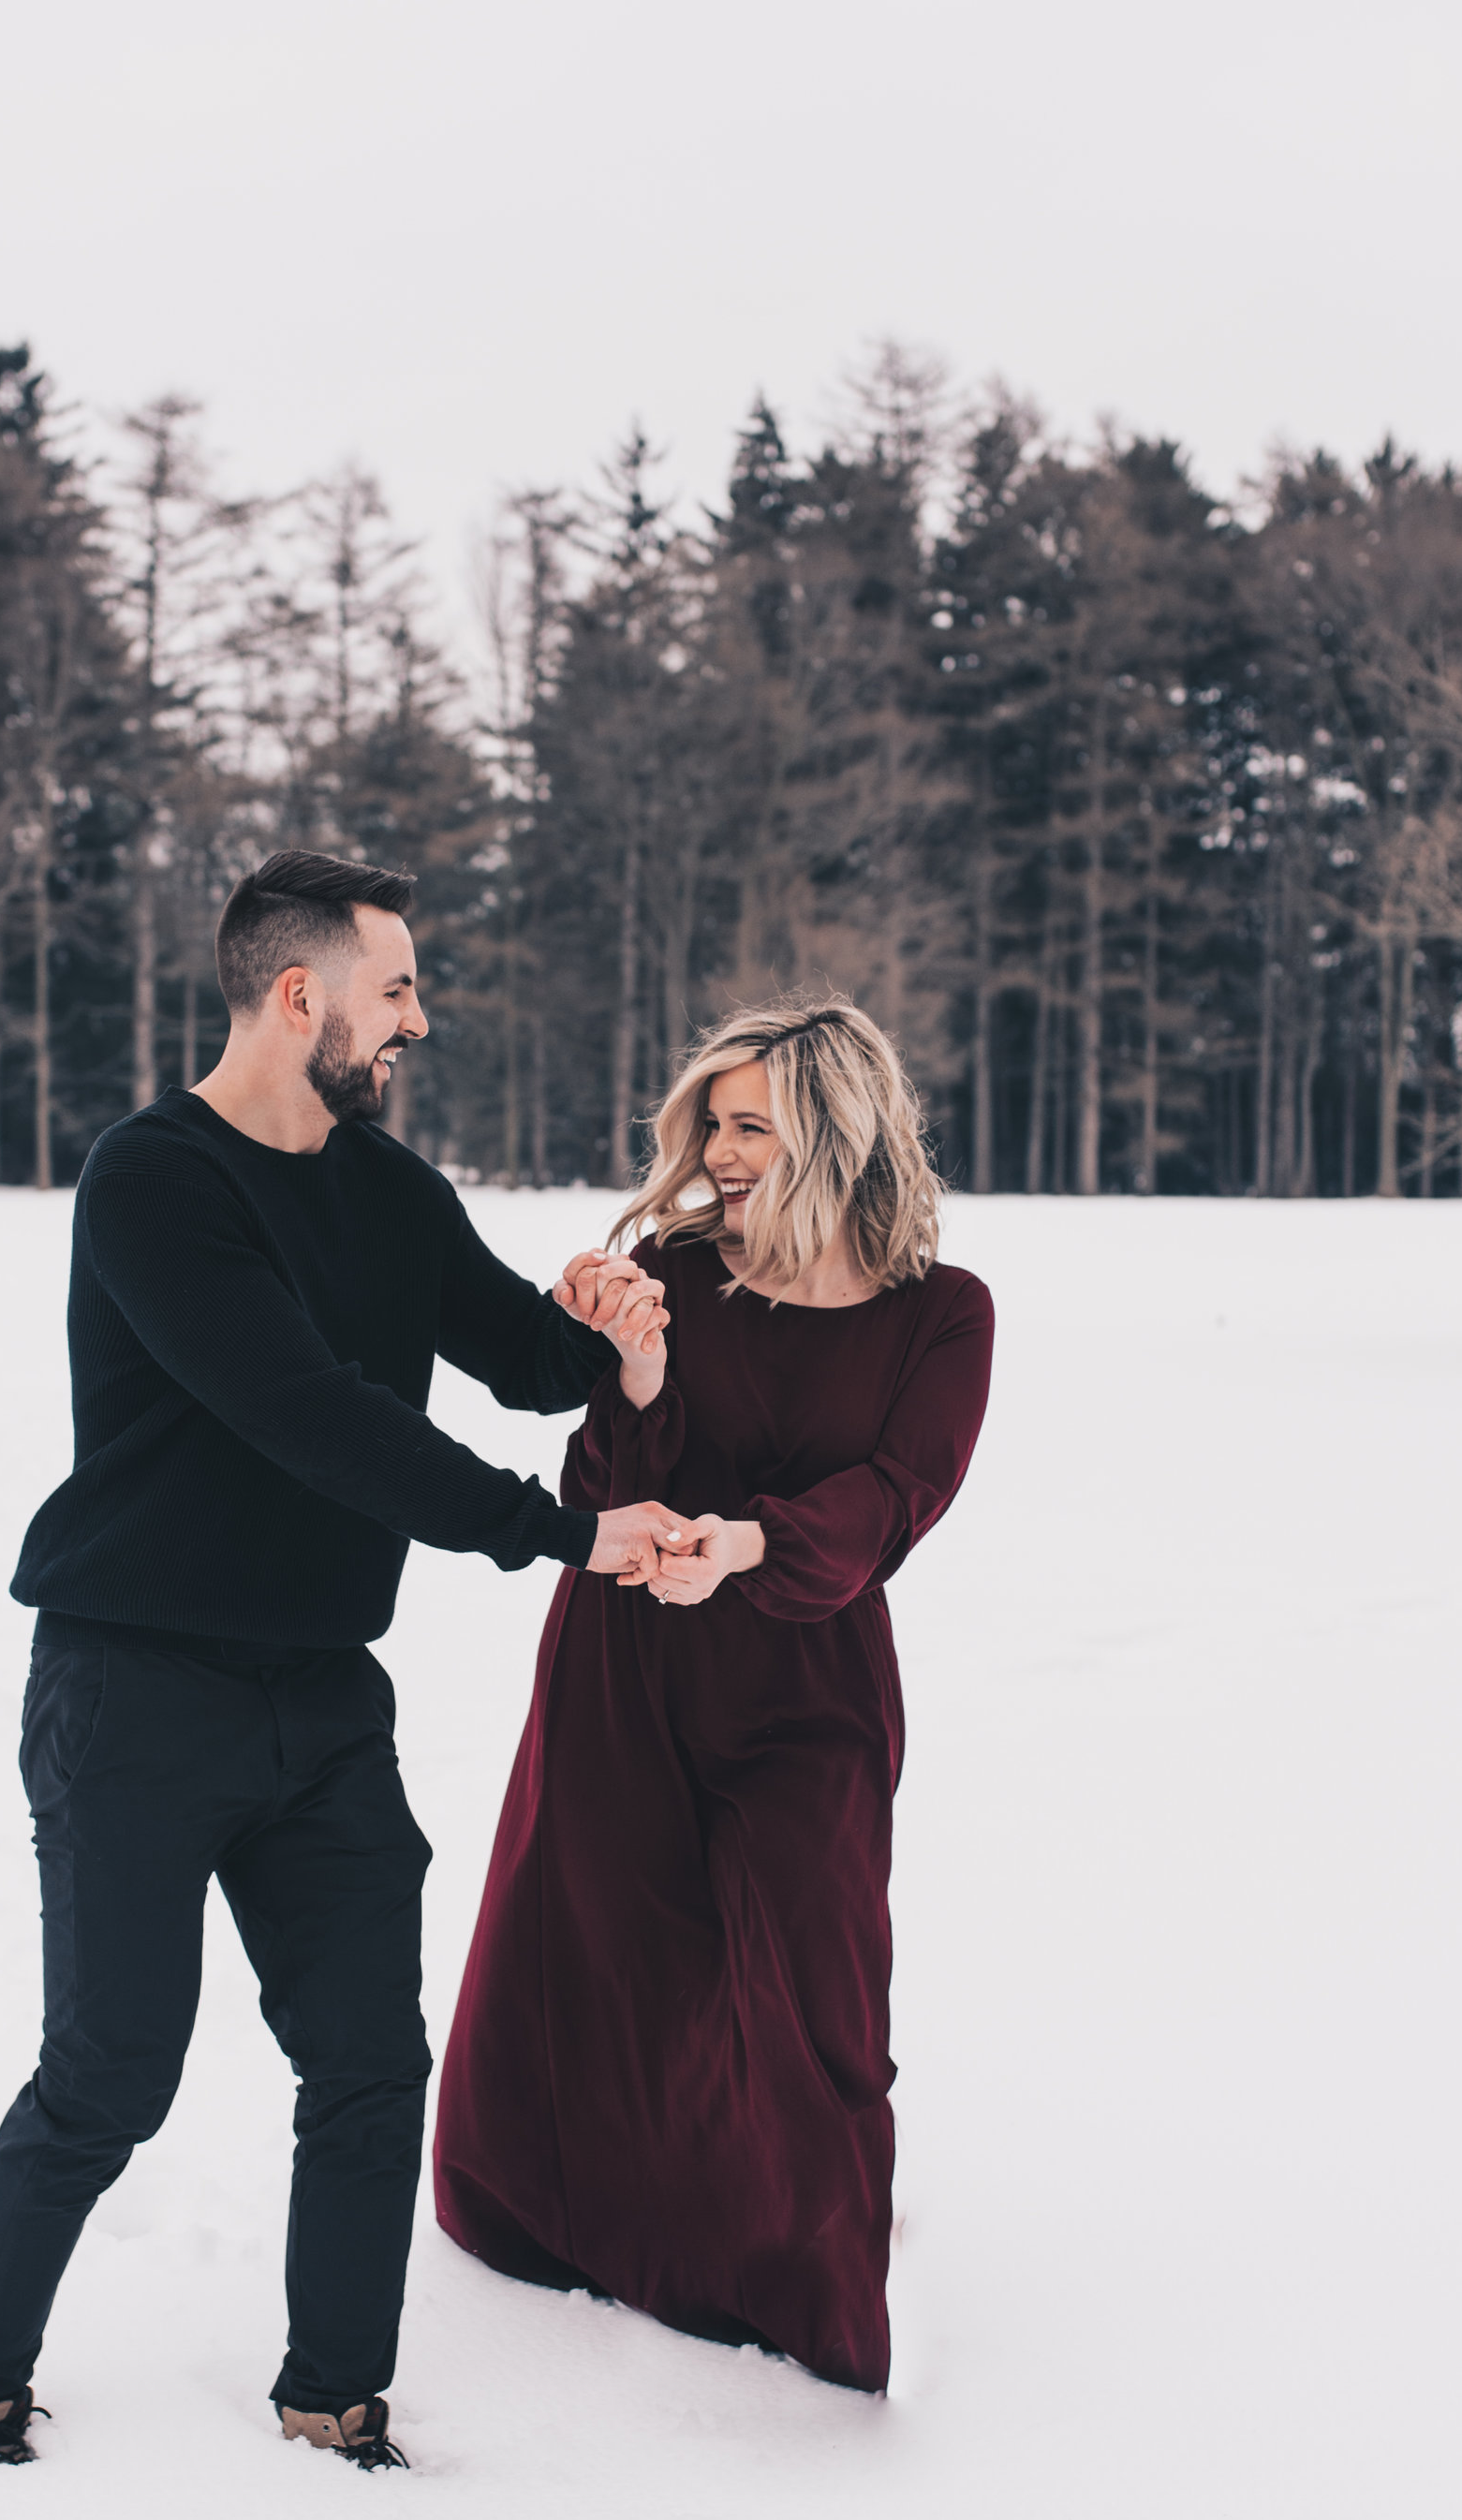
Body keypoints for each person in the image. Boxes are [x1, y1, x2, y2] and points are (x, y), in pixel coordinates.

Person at [0, 849, 686, 2471]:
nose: (421, 1019)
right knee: (111, 2071)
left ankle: (336, 2402)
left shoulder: (386, 1189)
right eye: (397, 988)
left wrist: (613, 1325)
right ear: (301, 996)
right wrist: (562, 1538)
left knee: (366, 2062)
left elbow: (521, 1358)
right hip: (135, 1689)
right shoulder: (153, 1181)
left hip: (324, 1706)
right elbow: (311, 1420)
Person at [432, 998, 995, 2395]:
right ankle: (580, 2228)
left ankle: (807, 2282)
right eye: (713, 1124)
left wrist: (749, 1546)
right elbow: (594, 1489)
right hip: (627, 1659)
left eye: (752, 1124)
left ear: (835, 1128)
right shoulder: (671, 1266)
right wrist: (635, 1366)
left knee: (814, 1981)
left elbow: (897, 1497)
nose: (721, 1152)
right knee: (609, 1950)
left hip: (809, 1673)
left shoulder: (941, 1313)